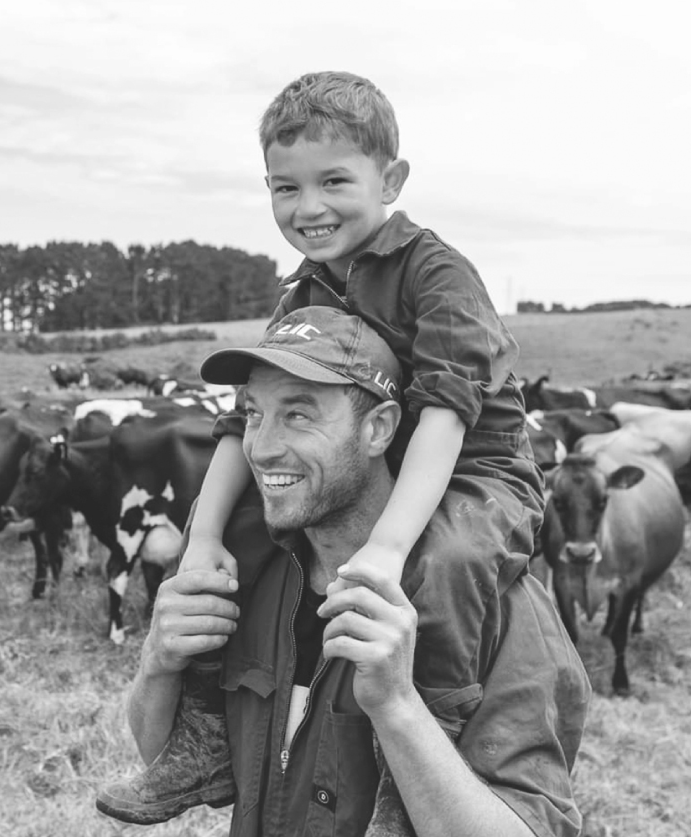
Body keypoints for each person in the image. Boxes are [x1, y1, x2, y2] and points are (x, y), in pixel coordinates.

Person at [98, 71, 548, 832]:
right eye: (284, 188)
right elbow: (244, 428)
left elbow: (443, 414)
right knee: (238, 532)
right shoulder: (303, 292)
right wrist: (203, 542)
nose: (308, 208)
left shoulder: (435, 273)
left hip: (476, 465)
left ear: (392, 179)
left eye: (334, 180)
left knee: (445, 561)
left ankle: (413, 768)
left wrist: (385, 549)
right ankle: (206, 733)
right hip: (382, 464)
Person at [115, 307, 589, 836]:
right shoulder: (244, 577)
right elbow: (166, 752)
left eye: (298, 415)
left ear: (378, 429)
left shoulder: (491, 600)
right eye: (254, 414)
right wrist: (157, 661)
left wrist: (398, 708)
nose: (263, 447)